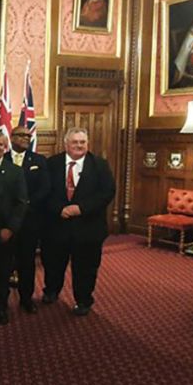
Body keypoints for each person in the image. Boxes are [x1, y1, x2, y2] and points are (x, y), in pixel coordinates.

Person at [41, 127, 116, 316]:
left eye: (82, 142)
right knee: (52, 264)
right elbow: (44, 192)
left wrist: (80, 208)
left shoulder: (100, 164)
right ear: (66, 144)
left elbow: (107, 193)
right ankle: (51, 292)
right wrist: (60, 209)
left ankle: (83, 300)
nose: (79, 145)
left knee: (85, 268)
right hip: (56, 227)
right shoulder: (52, 164)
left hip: (88, 229)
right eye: (74, 142)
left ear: (87, 144)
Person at [5, 125, 50, 314]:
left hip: (30, 221)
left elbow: (45, 188)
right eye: (21, 135)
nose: (25, 138)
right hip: (5, 222)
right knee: (4, 262)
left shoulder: (38, 160)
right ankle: (1, 302)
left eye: (28, 135)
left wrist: (25, 207)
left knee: (27, 262)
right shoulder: (1, 159)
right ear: (12, 137)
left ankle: (26, 298)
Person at [0, 131, 27, 325]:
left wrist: (10, 228)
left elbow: (21, 203)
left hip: (5, 233)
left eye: (1, 144)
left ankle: (0, 307)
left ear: (6, 148)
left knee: (3, 273)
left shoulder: (15, 171)